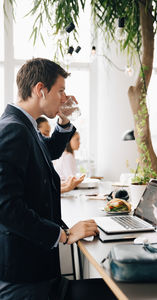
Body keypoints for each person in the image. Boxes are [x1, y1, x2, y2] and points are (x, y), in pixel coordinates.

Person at [0, 58, 116, 300]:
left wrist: (64, 120)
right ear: (41, 89)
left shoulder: (24, 125)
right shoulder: (13, 129)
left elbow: (48, 152)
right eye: (60, 91)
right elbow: (6, 209)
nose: (65, 98)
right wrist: (62, 235)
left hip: (34, 271)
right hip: (24, 279)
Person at [36, 116, 85, 192]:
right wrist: (67, 187)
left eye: (49, 132)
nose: (48, 137)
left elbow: (47, 185)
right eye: (45, 133)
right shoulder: (67, 156)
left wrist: (65, 185)